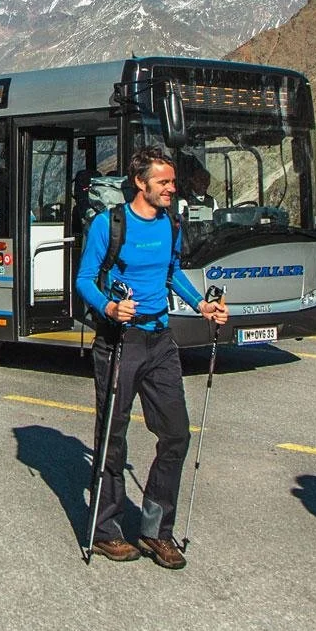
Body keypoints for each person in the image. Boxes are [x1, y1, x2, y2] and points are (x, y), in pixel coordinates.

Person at [75, 145, 228, 569]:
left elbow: (170, 272)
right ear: (141, 182)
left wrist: (201, 305)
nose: (171, 188)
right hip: (120, 339)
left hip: (161, 341)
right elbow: (85, 279)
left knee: (177, 434)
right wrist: (108, 307)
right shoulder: (110, 225)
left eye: (172, 182)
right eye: (164, 182)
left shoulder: (170, 223)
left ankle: (156, 532)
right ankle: (106, 531)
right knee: (113, 437)